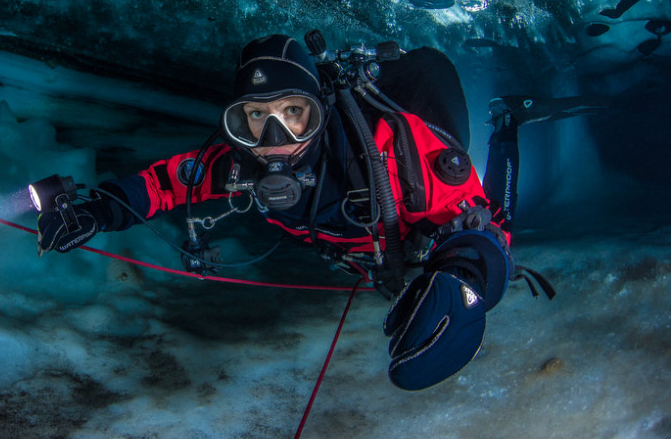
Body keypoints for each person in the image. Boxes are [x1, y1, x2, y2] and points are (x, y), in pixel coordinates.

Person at [36, 34, 546, 391]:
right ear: (236, 125)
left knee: (503, 210)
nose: (275, 142)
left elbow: (480, 222)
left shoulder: (394, 147)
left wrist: (463, 278)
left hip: (414, 219)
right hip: (365, 255)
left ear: (318, 112)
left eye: (294, 114)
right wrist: (97, 212)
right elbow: (165, 184)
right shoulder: (239, 163)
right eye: (256, 118)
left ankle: (505, 125)